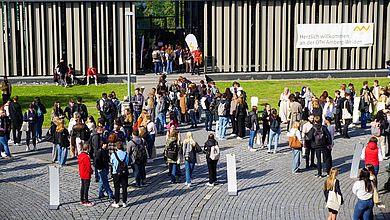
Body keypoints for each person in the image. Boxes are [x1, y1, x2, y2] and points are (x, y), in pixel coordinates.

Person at [110, 142, 129, 208]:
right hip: (124, 172)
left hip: (116, 173)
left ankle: (116, 202)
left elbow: (111, 163)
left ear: (116, 147)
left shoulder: (113, 154)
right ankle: (124, 202)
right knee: (124, 187)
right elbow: (127, 162)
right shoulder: (126, 154)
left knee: (117, 188)